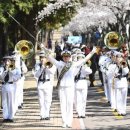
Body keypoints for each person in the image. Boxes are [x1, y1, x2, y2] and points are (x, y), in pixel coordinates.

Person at [42, 45, 97, 128]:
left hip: (70, 87)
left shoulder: (73, 64)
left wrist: (92, 52)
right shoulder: (59, 64)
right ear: (62, 57)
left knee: (69, 104)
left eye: (67, 56)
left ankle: (69, 122)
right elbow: (50, 58)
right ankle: (64, 122)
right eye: (64, 56)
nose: (66, 58)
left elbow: (85, 59)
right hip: (62, 88)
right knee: (63, 105)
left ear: (70, 57)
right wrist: (43, 48)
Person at [34, 51, 56, 120]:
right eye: (41, 57)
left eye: (43, 57)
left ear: (46, 58)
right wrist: (42, 67)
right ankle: (42, 114)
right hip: (40, 83)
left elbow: (53, 72)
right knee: (41, 100)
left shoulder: (51, 64)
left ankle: (47, 114)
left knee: (48, 100)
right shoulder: (37, 65)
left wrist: (47, 67)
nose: (42, 59)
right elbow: (36, 75)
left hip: (48, 83)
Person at [0, 55, 21, 122]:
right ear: (3, 62)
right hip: (3, 85)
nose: (7, 62)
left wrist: (11, 71)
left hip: (11, 85)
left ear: (11, 62)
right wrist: (6, 71)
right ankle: (5, 117)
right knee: (4, 102)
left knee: (11, 101)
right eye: (5, 61)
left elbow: (18, 76)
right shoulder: (1, 68)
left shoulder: (14, 68)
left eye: (8, 61)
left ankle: (11, 117)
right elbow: (1, 77)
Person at [75, 53, 92, 118]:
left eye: (81, 58)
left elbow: (90, 71)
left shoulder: (85, 66)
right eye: (79, 58)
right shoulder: (76, 66)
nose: (80, 59)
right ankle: (79, 113)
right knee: (78, 99)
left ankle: (83, 113)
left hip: (84, 83)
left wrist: (85, 67)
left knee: (84, 99)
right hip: (77, 83)